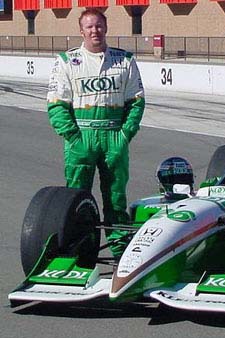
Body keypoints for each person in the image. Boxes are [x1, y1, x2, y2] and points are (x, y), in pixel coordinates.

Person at [47, 8, 145, 257]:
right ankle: (79, 251)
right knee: (75, 199)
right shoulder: (66, 61)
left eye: (99, 25)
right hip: (82, 137)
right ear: (81, 31)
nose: (95, 31)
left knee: (116, 200)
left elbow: (136, 101)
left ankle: (121, 253)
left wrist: (125, 135)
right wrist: (72, 137)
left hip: (114, 137)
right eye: (89, 26)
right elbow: (56, 105)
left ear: (106, 28)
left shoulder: (124, 60)